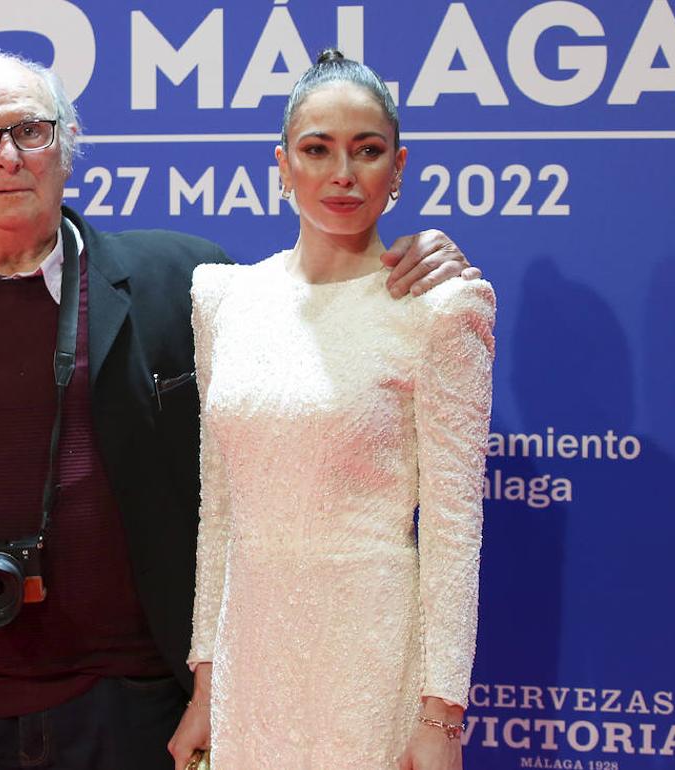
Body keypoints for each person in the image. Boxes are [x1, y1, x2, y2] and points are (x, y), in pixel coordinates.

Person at [0, 50, 481, 770]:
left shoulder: (183, 280)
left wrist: (428, 258)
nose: (9, 157)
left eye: (32, 131)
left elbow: (317, 307)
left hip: (137, 707)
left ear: (67, 149)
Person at [173, 50, 495, 770]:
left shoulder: (439, 309)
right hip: (249, 659)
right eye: (317, 150)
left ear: (400, 166)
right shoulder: (224, 301)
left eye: (367, 150)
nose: (342, 174)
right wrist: (205, 683)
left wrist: (441, 719)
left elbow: (453, 529)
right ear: (282, 164)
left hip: (370, 658)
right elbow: (219, 508)